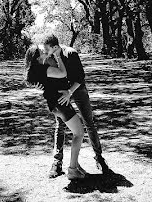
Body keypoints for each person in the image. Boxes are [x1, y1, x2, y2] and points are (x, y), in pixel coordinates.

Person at [39, 34, 112, 178]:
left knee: (88, 122)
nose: (45, 52)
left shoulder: (70, 53)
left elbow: (80, 77)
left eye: (47, 49)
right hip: (61, 93)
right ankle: (57, 162)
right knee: (60, 125)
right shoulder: (49, 58)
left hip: (77, 89)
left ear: (55, 47)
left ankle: (99, 157)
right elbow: (45, 77)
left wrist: (69, 92)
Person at [24, 43, 89, 180]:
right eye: (42, 51)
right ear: (38, 57)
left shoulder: (39, 68)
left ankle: (75, 166)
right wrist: (58, 56)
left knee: (75, 131)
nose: (45, 50)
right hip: (60, 104)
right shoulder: (44, 69)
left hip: (55, 105)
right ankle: (72, 170)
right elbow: (63, 73)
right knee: (79, 133)